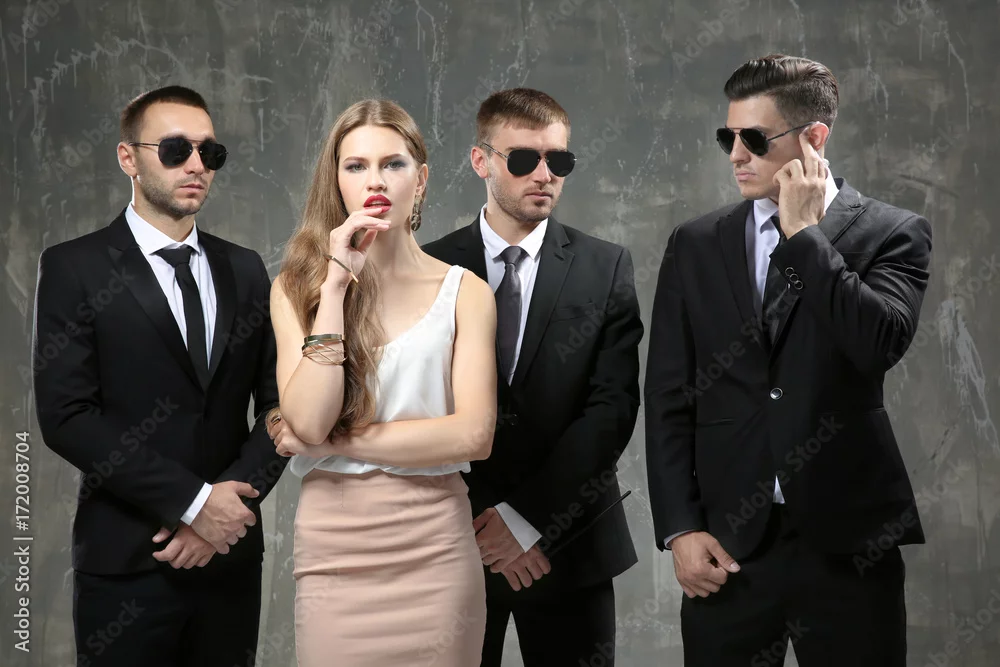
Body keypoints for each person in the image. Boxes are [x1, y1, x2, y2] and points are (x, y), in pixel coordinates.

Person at [645, 54, 932, 666]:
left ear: (814, 138)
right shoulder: (695, 243)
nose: (736, 155)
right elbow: (669, 396)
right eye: (727, 138)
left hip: (850, 543)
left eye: (754, 139)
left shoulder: (894, 232)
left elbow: (877, 344)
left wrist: (804, 236)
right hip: (729, 546)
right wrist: (680, 528)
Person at [32, 85, 287, 667]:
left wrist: (224, 513)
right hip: (127, 562)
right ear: (129, 158)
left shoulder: (245, 268)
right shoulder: (74, 267)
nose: (196, 165)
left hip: (229, 562)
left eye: (210, 152)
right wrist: (194, 504)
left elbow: (280, 406)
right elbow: (67, 417)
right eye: (175, 150)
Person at [264, 99, 497, 667]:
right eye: (356, 165)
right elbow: (309, 420)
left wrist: (335, 444)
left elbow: (473, 436)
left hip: (436, 549)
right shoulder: (296, 288)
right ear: (336, 180)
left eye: (393, 164)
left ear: (421, 179)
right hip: (334, 553)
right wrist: (335, 287)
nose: (375, 180)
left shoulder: (466, 291)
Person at [423, 88, 643, 667]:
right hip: (455, 541)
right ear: (481, 161)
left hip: (571, 546)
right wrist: (486, 525)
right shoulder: (429, 267)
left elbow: (612, 409)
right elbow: (418, 407)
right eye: (523, 159)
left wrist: (525, 520)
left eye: (558, 160)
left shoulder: (605, 266)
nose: (544, 174)